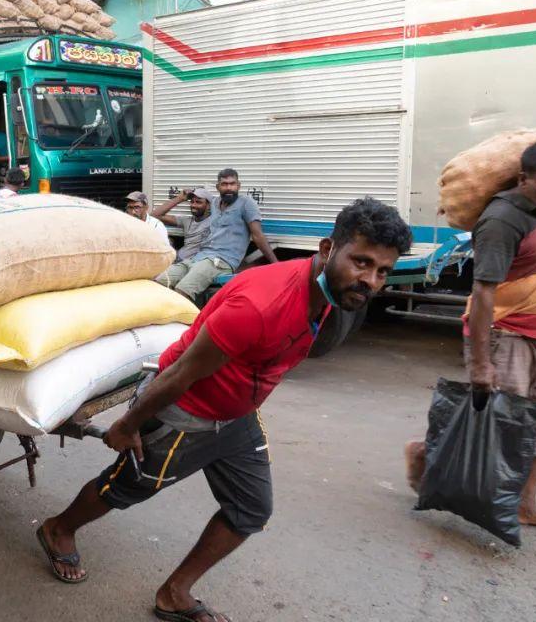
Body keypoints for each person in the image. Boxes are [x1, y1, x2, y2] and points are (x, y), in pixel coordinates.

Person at [36, 198, 412, 622]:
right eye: (361, 262)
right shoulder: (258, 306)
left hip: (236, 416)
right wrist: (127, 424)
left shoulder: (332, 295)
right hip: (184, 411)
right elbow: (179, 375)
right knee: (124, 489)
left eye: (383, 271)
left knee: (250, 509)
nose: (371, 281)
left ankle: (175, 592)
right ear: (327, 249)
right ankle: (59, 528)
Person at [404, 126, 536, 536]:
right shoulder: (503, 219)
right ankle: (424, 454)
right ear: (524, 180)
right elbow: (483, 292)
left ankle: (526, 505)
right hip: (509, 333)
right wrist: (482, 363)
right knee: (497, 427)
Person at [156, 169, 278, 303]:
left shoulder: (246, 203)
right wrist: (181, 198)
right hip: (198, 258)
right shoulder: (213, 204)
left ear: (239, 185)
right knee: (160, 282)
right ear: (217, 187)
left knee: (182, 291)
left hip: (221, 261)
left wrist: (276, 265)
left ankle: (186, 323)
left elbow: (258, 235)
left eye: (232, 184)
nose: (229, 188)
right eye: (224, 184)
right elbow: (156, 215)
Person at [153, 188, 214, 263]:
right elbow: (154, 216)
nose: (193, 205)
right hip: (177, 259)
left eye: (198, 202)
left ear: (208, 205)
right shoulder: (187, 220)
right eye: (192, 202)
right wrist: (180, 198)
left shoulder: (214, 221)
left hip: (193, 264)